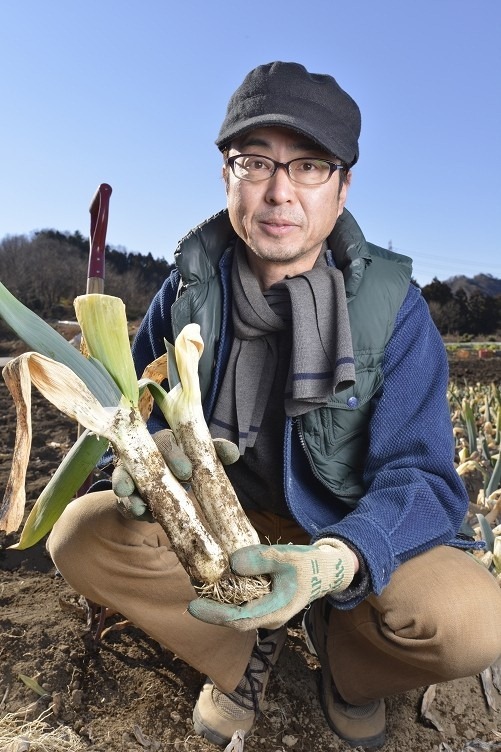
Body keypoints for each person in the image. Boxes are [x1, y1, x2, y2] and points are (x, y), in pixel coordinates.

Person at [47, 61, 501, 750]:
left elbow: (425, 481)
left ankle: (348, 667)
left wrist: (337, 558)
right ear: (226, 176)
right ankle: (239, 652)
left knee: (470, 622)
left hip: (343, 527)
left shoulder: (392, 310)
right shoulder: (186, 290)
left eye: (309, 166)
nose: (278, 191)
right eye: (253, 161)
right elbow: (133, 412)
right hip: (227, 526)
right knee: (81, 535)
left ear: (342, 188)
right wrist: (146, 460)